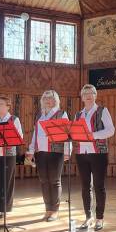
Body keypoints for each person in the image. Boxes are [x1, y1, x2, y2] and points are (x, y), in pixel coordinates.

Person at [74, 84, 115, 231]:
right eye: (85, 93)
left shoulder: (103, 111)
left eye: (91, 93)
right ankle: (88, 217)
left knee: (99, 186)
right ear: (82, 97)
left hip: (98, 153)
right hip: (81, 153)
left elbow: (111, 130)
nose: (88, 96)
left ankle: (99, 218)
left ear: (95, 95)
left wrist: (94, 135)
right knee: (85, 186)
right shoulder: (78, 115)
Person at [26, 90, 70, 221]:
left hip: (56, 151)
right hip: (40, 152)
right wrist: (31, 150)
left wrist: (67, 151)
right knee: (44, 181)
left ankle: (55, 211)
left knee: (54, 181)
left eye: (50, 98)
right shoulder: (39, 115)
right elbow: (35, 134)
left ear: (55, 100)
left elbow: (68, 134)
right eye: (45, 98)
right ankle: (48, 209)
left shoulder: (61, 114)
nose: (47, 101)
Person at [0, 96, 23, 218]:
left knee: (7, 182)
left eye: (1, 104)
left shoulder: (14, 119)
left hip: (8, 155)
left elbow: (19, 137)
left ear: (8, 106)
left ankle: (5, 209)